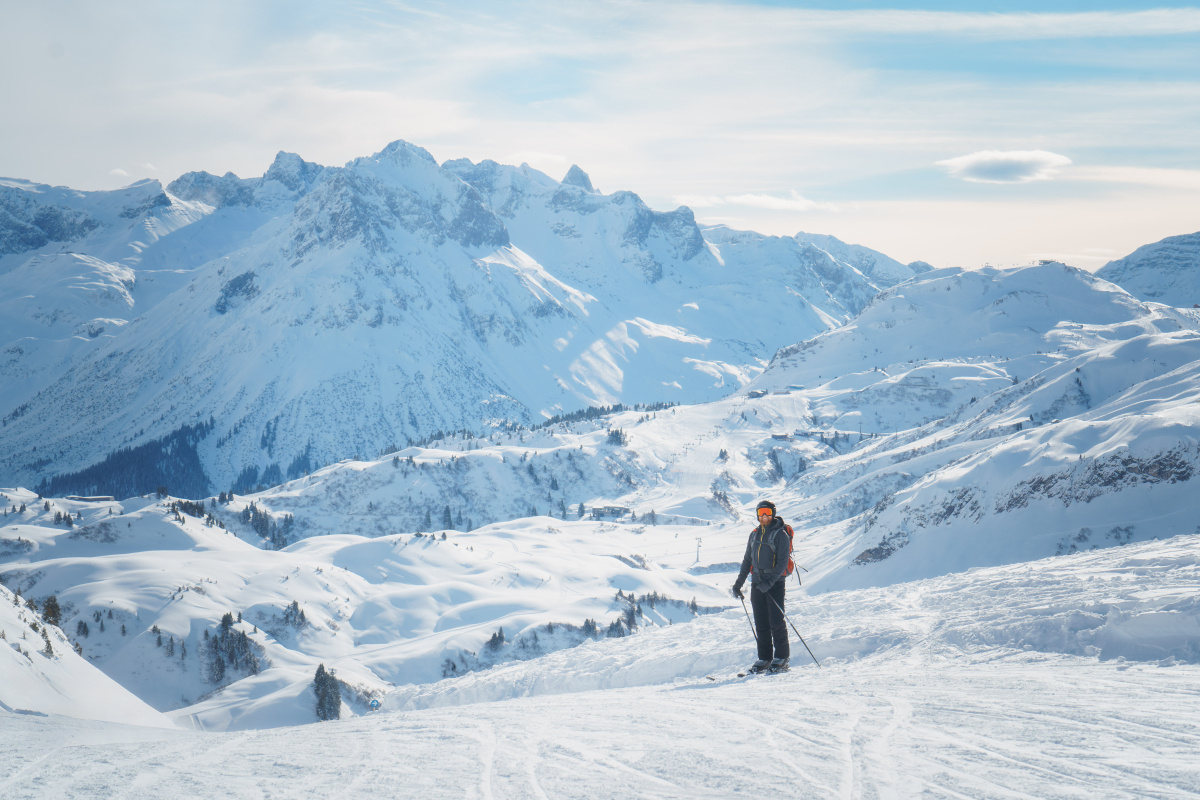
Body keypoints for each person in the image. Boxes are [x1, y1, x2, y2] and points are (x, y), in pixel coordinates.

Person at [731, 500, 791, 673]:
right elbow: (747, 560)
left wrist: (770, 583)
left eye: (767, 512)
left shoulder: (781, 535)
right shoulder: (754, 534)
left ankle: (782, 657)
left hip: (775, 583)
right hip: (757, 583)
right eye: (761, 512)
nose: (764, 516)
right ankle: (765, 658)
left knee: (776, 621)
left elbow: (782, 562)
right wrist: (738, 584)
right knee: (761, 622)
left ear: (773, 513)